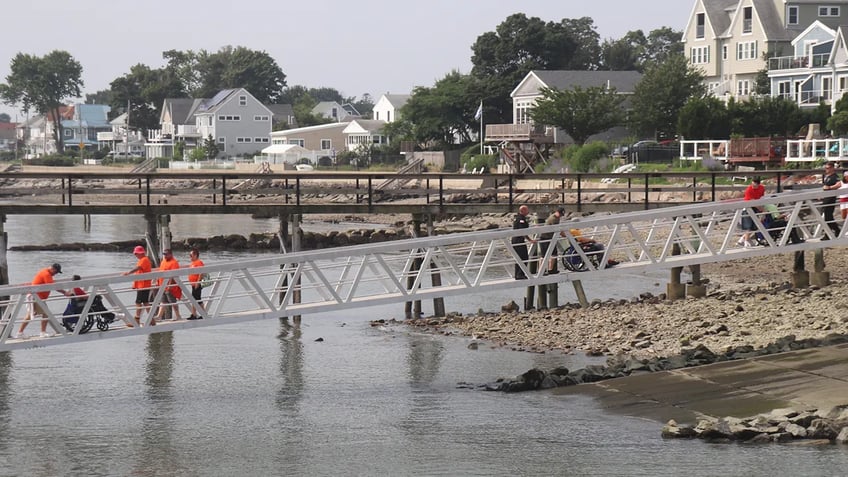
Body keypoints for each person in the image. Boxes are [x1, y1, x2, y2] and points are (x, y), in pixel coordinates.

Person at [15, 263, 71, 339]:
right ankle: (42, 332)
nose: (55, 274)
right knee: (45, 314)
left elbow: (50, 284)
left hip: (37, 297)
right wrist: (64, 292)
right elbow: (52, 286)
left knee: (31, 314)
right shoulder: (46, 274)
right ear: (53, 269)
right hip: (37, 297)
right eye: (56, 272)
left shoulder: (45, 272)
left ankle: (20, 333)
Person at [122, 245, 151, 326]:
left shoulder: (144, 260)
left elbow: (137, 268)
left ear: (141, 253)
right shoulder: (143, 259)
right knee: (145, 302)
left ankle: (136, 320)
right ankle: (151, 319)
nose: (135, 255)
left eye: (136, 253)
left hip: (143, 285)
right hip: (143, 284)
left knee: (138, 302)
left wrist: (128, 273)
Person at [738, 177, 765, 248]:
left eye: (755, 185)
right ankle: (746, 240)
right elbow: (752, 202)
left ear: (758, 184)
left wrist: (762, 207)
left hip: (756, 206)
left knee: (755, 225)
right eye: (752, 184)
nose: (753, 186)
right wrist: (762, 209)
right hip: (748, 207)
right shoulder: (749, 190)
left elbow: (762, 197)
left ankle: (743, 239)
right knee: (749, 225)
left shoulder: (761, 188)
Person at [155, 249, 182, 321]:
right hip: (162, 285)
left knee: (173, 301)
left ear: (171, 254)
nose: (165, 256)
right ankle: (159, 316)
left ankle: (178, 316)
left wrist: (170, 285)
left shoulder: (174, 263)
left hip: (170, 286)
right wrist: (157, 281)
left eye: (166, 254)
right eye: (164, 254)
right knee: (163, 301)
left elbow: (173, 275)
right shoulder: (163, 262)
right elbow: (160, 271)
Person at [539, 207, 566, 275]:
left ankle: (550, 270)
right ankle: (541, 270)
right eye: (560, 214)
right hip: (545, 238)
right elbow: (557, 229)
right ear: (557, 212)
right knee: (544, 255)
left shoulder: (557, 218)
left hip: (550, 238)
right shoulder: (553, 219)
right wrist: (565, 235)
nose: (560, 216)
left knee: (553, 254)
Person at [511, 205, 535, 279]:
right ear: (523, 210)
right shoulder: (521, 219)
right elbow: (522, 231)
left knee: (519, 258)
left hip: (516, 240)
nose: (528, 212)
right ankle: (520, 274)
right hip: (518, 241)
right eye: (527, 210)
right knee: (524, 257)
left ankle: (517, 274)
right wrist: (530, 240)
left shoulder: (517, 218)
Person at [822, 161, 841, 237]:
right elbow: (824, 187)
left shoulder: (834, 176)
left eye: (828, 168)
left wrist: (830, 187)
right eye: (826, 168)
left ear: (832, 168)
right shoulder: (826, 176)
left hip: (830, 199)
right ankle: (835, 231)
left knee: (828, 217)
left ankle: (829, 234)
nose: (826, 170)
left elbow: (839, 184)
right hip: (825, 198)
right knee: (827, 217)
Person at [187, 247, 205, 319]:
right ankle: (194, 314)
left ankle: (203, 313)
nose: (190, 257)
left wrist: (198, 282)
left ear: (195, 255)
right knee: (194, 299)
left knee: (197, 299)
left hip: (197, 284)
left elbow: (201, 273)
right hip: (193, 284)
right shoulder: (192, 263)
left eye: (191, 255)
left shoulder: (199, 262)